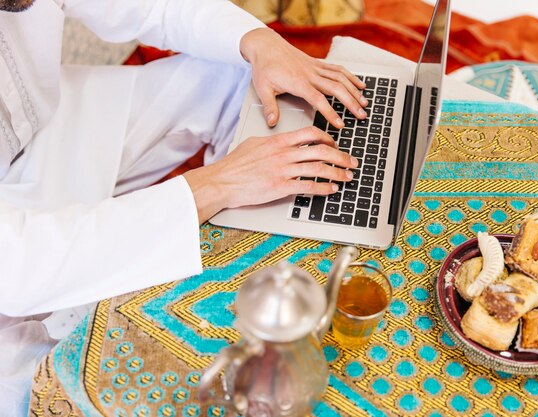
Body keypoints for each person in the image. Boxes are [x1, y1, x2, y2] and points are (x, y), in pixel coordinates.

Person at [0, 0, 368, 413]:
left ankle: (250, 260)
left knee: (243, 75)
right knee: (55, 391)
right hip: (14, 257)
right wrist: (215, 185)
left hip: (54, 127)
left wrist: (258, 41)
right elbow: (15, 265)